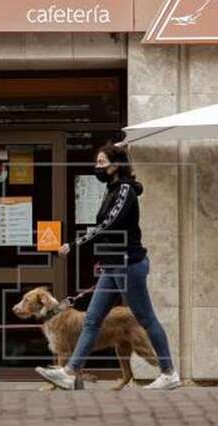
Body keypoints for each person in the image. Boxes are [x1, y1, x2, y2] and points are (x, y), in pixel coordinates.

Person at [35, 143, 180, 390]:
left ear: (116, 166)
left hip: (128, 265)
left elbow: (109, 224)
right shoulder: (113, 189)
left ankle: (169, 373)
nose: (97, 167)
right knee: (92, 320)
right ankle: (70, 372)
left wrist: (74, 243)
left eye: (102, 163)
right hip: (113, 266)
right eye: (97, 163)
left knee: (146, 318)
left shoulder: (125, 190)